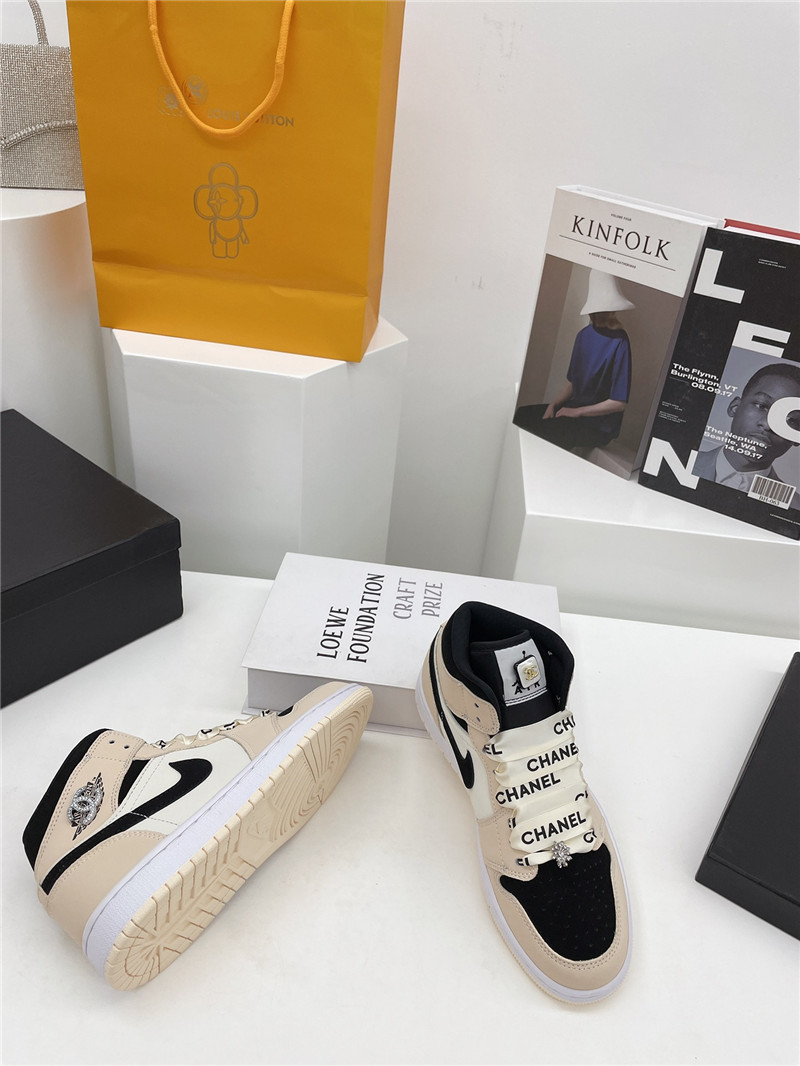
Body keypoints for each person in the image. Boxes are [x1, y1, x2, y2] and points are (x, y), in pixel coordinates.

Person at [514, 269, 634, 453]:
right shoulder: (583, 336)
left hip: (599, 425)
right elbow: (572, 384)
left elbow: (619, 403)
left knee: (547, 431)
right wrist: (553, 405)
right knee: (522, 415)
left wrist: (577, 412)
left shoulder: (620, 341)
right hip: (573, 411)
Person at [693, 361, 800, 504]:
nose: (768, 425)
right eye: (761, 405)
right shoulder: (681, 461)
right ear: (734, 407)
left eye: (790, 419)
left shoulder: (795, 507)